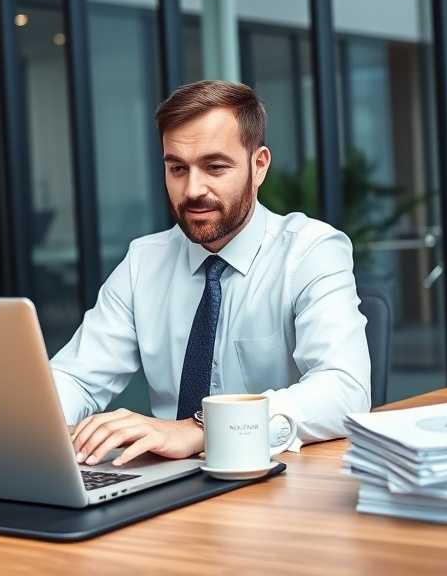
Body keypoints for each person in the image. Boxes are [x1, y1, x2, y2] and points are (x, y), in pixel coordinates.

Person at [52, 80, 371, 468]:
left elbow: (345, 389)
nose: (193, 189)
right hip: (168, 482)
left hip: (279, 481)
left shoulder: (310, 251)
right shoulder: (144, 262)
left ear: (259, 166)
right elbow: (77, 377)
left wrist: (202, 428)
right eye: (177, 168)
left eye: (215, 167)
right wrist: (37, 424)